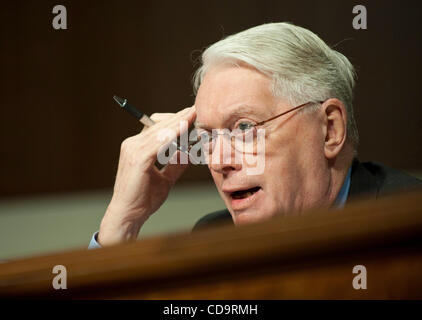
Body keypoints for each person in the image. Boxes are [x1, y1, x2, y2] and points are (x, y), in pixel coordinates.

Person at [89, 22, 422, 249]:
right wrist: (123, 225)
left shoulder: (408, 226)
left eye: (244, 128)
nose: (218, 161)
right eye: (207, 137)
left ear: (330, 130)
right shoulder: (214, 241)